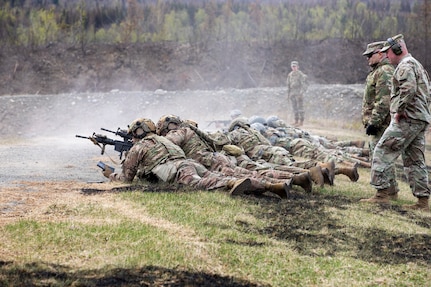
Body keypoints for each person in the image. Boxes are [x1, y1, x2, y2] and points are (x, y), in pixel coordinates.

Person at [102, 117, 292, 198]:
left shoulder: (139, 147)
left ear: (137, 133)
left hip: (178, 170)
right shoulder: (164, 140)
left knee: (207, 183)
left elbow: (127, 178)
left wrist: (111, 174)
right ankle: (272, 185)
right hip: (189, 162)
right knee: (222, 176)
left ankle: (232, 184)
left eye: (133, 135)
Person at [360, 34, 431, 212]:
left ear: (397, 49)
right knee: (415, 160)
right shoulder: (417, 65)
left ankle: (382, 195)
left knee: (382, 150)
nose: (387, 56)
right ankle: (422, 202)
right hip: (419, 118)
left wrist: (399, 110)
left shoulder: (405, 66)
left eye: (388, 52)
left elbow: (409, 89)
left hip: (407, 118)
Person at [156, 114, 313, 193]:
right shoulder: (192, 130)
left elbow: (169, 145)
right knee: (251, 172)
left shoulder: (178, 132)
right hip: (217, 158)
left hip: (210, 163)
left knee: (242, 177)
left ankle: (277, 186)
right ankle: (295, 178)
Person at [361, 40, 397, 199]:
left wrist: (374, 123)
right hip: (380, 121)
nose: (368, 58)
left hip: (382, 123)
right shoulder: (378, 71)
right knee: (384, 156)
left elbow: (384, 100)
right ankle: (391, 191)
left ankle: (382, 194)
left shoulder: (384, 71)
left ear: (380, 53)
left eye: (370, 55)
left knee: (379, 156)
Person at [286, 61, 308, 127]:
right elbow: (288, 85)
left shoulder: (300, 75)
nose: (294, 68)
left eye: (295, 66)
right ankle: (296, 120)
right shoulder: (290, 75)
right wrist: (288, 95)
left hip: (298, 93)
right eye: (293, 66)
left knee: (300, 108)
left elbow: (304, 85)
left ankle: (301, 121)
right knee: (294, 108)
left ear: (298, 67)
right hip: (292, 93)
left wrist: (301, 93)